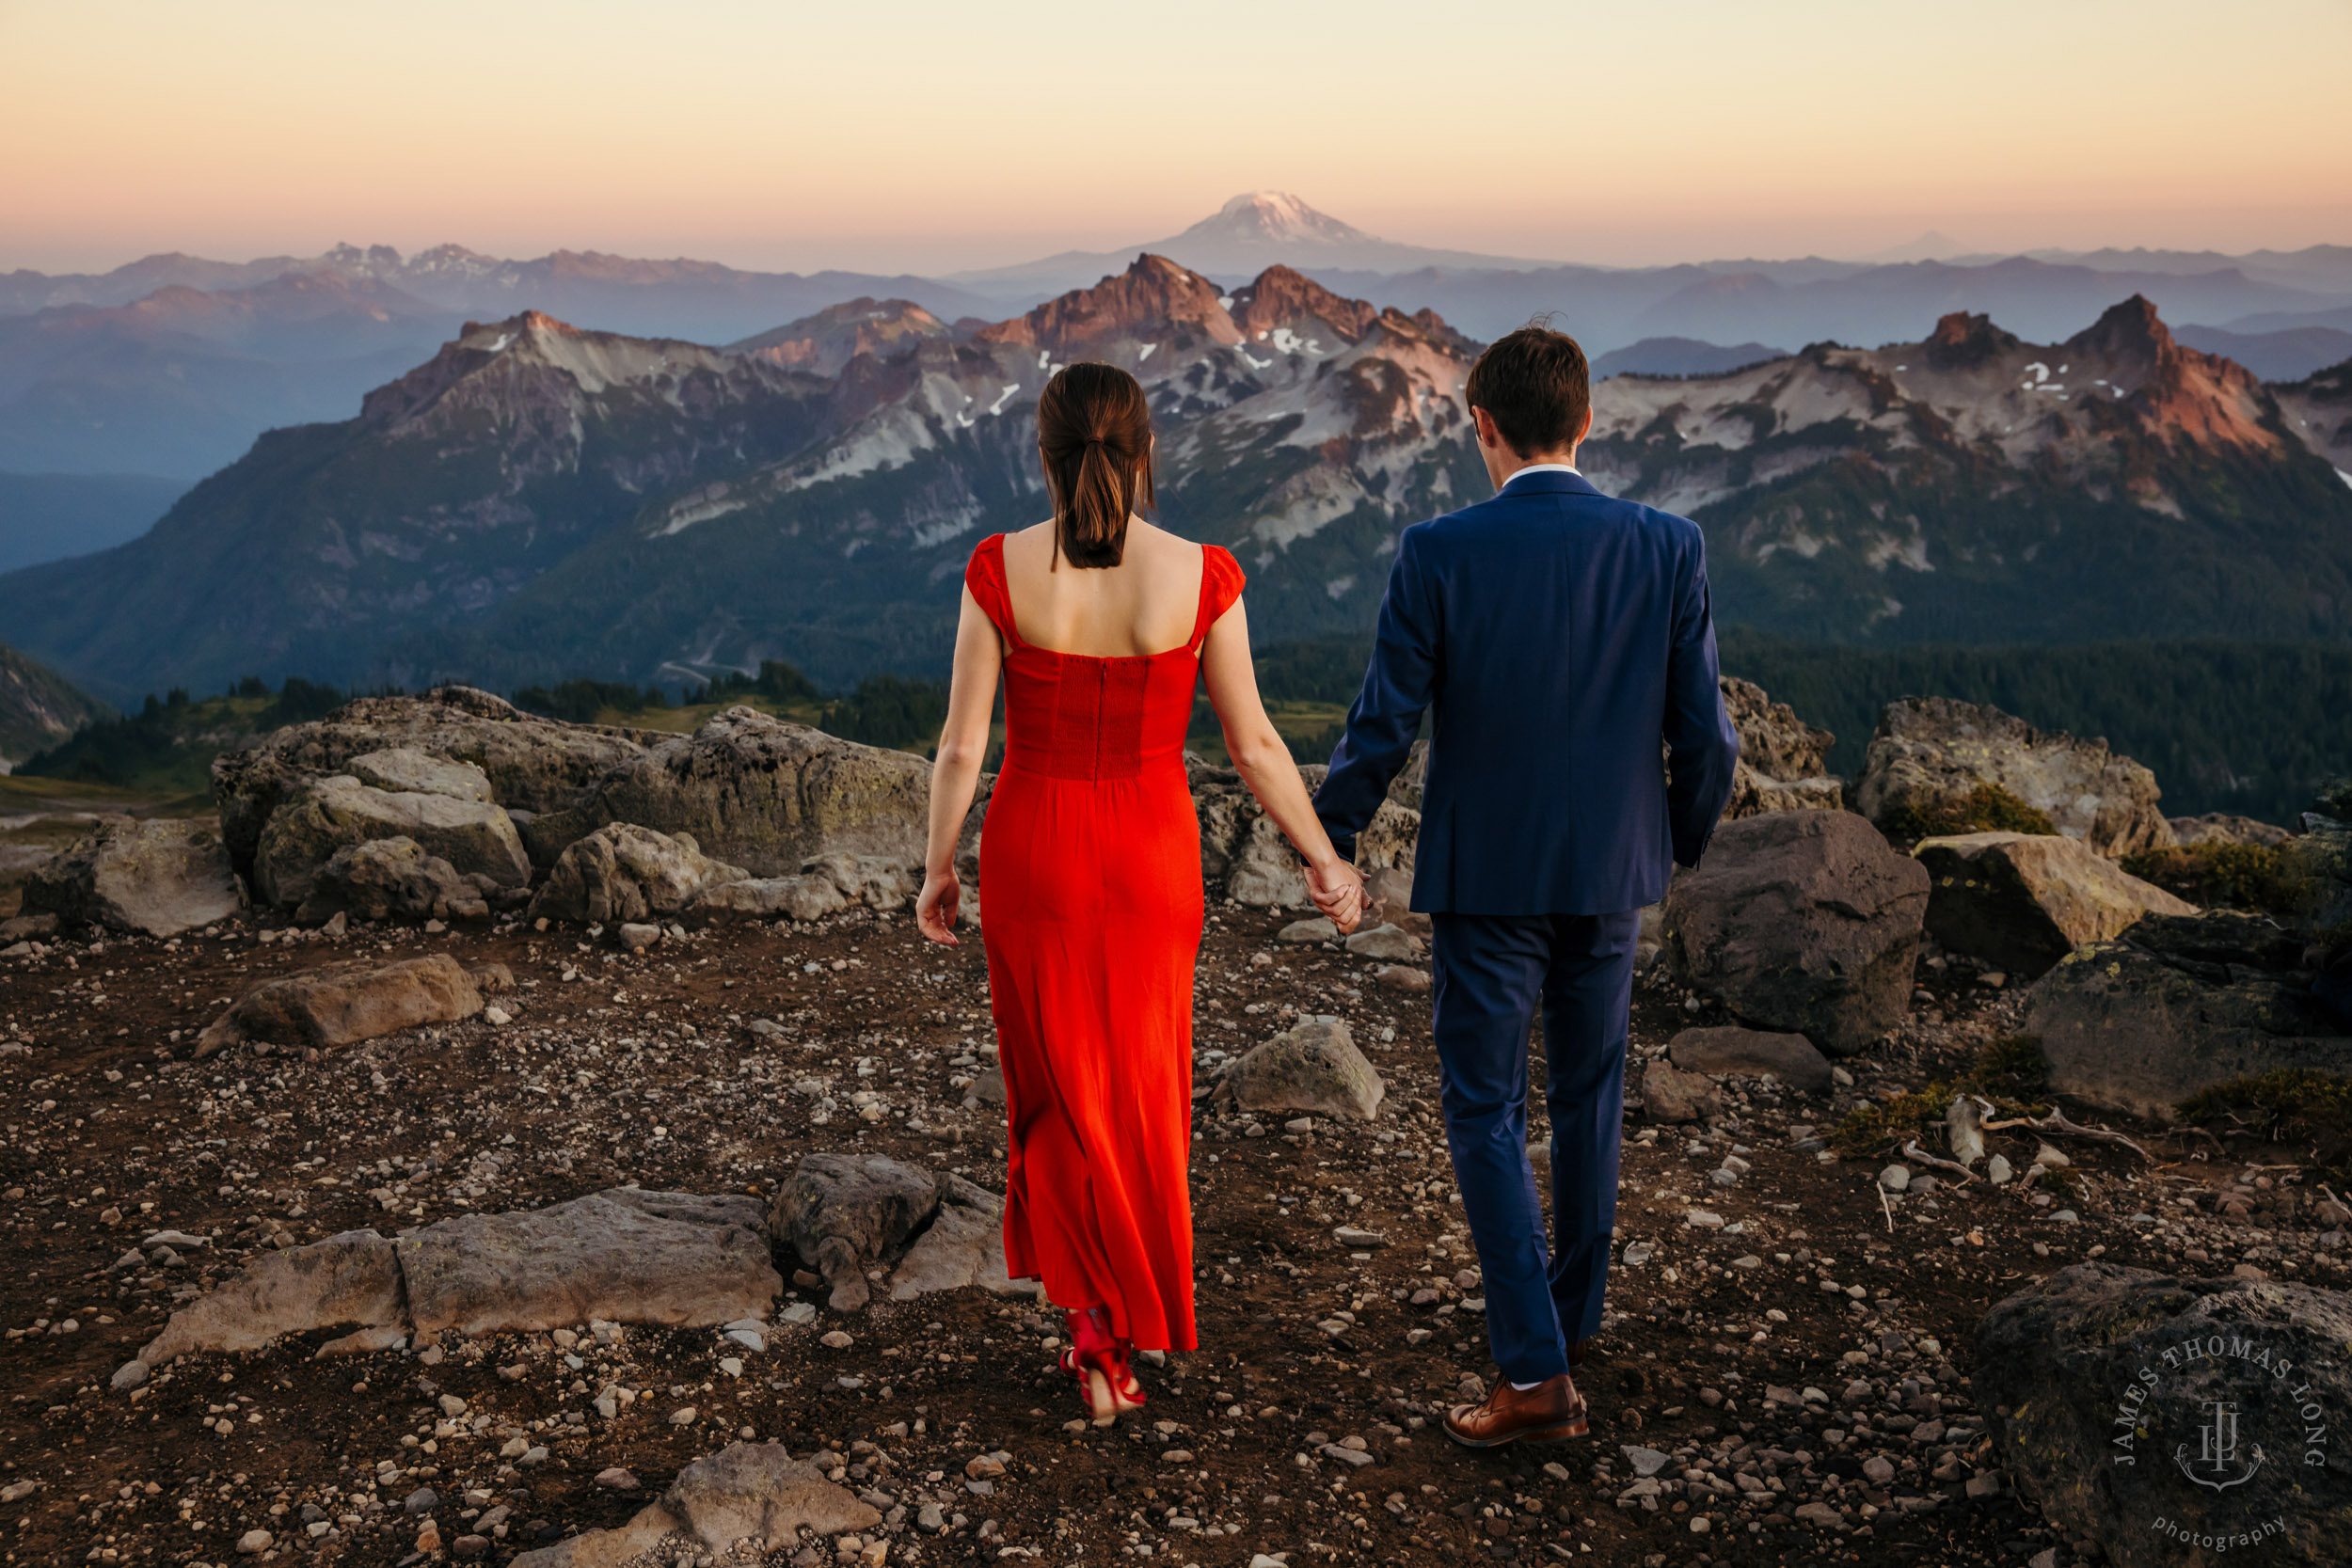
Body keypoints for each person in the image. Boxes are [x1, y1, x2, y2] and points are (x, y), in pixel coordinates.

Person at [1313, 324, 1741, 1449]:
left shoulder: (1436, 551)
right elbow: (1708, 738)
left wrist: (1330, 840)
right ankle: (1572, 1314)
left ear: (1483, 427)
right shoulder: (1669, 547)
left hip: (1487, 880)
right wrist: (1673, 843)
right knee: (1589, 1095)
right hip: (1612, 876)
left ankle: (1532, 1373)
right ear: (1587, 423)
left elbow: (1382, 727)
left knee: (1484, 1109)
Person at [915, 362, 1367, 1425]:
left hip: (1036, 847)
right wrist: (1323, 857)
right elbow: (1254, 744)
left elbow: (960, 744)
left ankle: (1092, 1335)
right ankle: (1125, 1323)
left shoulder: (998, 569)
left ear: (1043, 452)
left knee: (1056, 1089)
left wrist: (939, 865)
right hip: (1154, 852)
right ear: (1147, 449)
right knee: (1142, 1089)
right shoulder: (1202, 573)